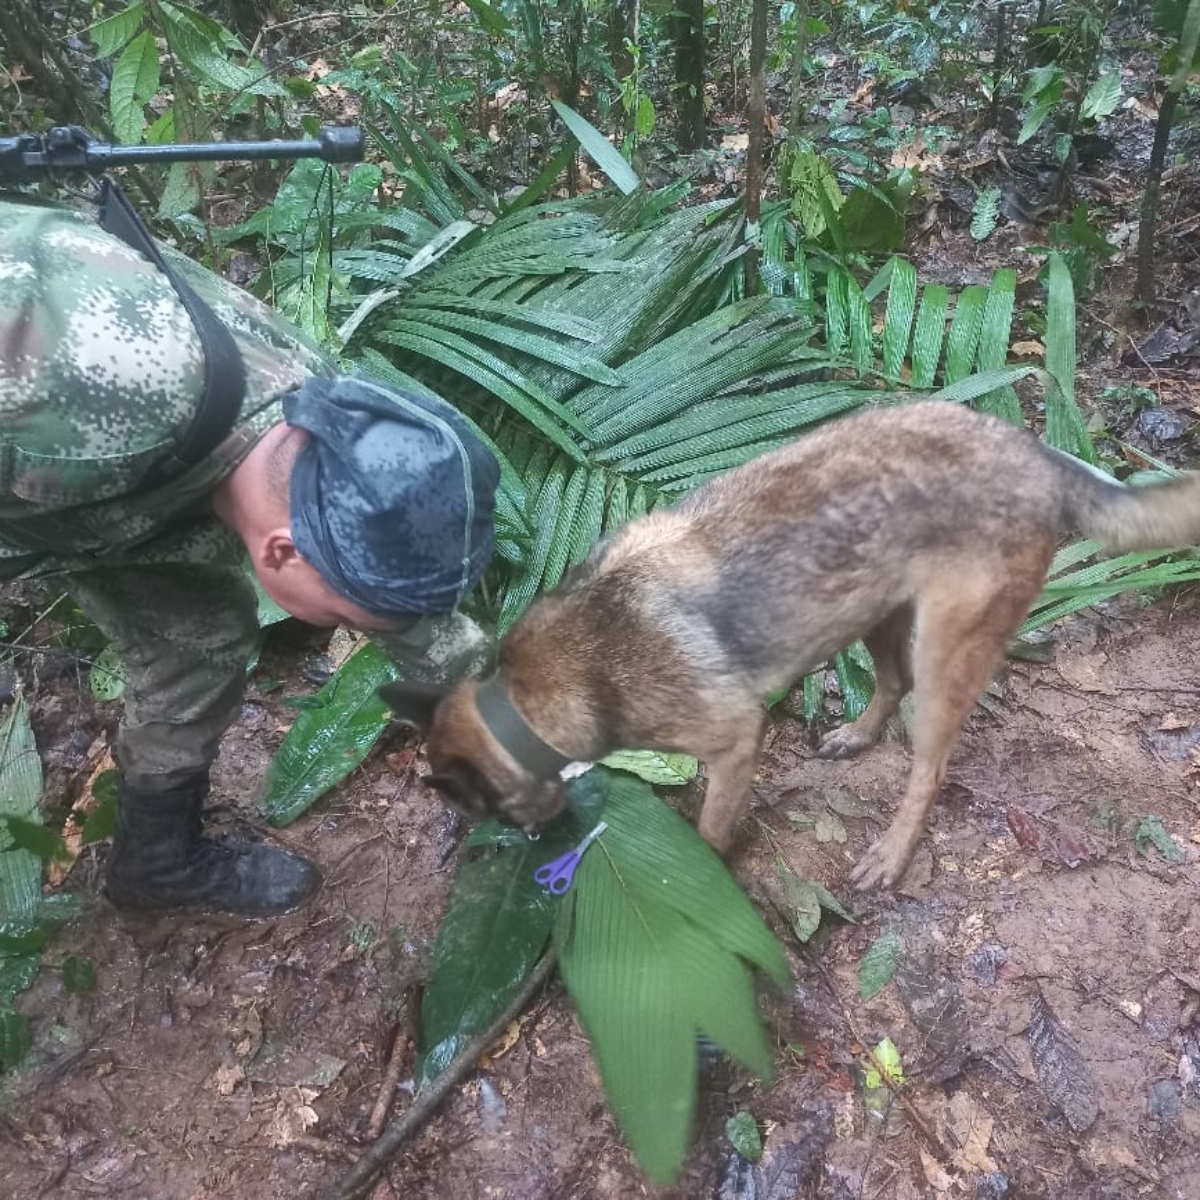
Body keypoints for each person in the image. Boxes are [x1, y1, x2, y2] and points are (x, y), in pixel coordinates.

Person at [0, 192, 499, 917]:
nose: (353, 627)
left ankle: (156, 865)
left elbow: (400, 603)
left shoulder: (322, 422)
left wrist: (503, 727)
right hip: (48, 451)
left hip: (111, 489)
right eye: (344, 618)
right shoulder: (62, 416)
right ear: (282, 550)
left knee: (196, 640)